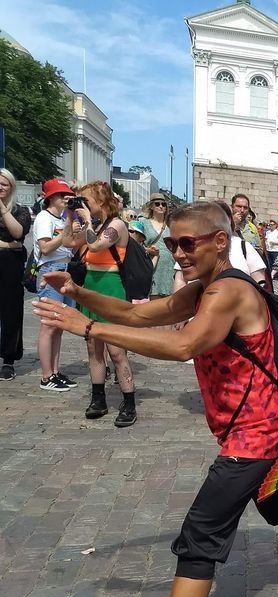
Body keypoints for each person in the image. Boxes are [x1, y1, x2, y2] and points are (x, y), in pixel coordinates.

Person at [34, 200, 278, 597]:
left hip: (256, 430)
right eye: (172, 243)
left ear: (220, 241)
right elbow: (140, 312)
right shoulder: (203, 288)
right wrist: (80, 293)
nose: (176, 252)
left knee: (201, 534)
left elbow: (182, 346)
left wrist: (87, 328)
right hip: (251, 424)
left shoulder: (226, 292)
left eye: (187, 243)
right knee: (273, 497)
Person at [61, 181, 138, 427]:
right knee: (93, 346)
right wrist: (70, 217)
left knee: (116, 350)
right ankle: (98, 398)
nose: (84, 204)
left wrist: (84, 220)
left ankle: (129, 402)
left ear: (102, 201)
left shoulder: (117, 225)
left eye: (87, 200)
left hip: (111, 286)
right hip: (90, 286)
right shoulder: (90, 225)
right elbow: (67, 243)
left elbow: (95, 244)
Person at [33, 179, 80, 391]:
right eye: (63, 196)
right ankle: (46, 375)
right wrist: (65, 233)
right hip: (50, 270)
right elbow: (45, 247)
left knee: (59, 326)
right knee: (48, 325)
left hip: (64, 270)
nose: (66, 199)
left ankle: (54, 370)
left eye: (68, 195)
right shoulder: (45, 218)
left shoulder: (62, 217)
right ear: (51, 197)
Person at [0, 169, 32, 381]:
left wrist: (3, 209)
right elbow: (13, 242)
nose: (0, 188)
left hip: (10, 266)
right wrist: (8, 244)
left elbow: (18, 233)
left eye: (4, 184)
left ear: (11, 187)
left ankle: (8, 360)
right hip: (9, 254)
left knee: (11, 313)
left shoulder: (20, 210)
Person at [141, 193, 174, 299]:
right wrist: (148, 249)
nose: (161, 206)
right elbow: (135, 246)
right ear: (151, 206)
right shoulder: (144, 223)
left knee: (169, 308)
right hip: (152, 267)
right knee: (154, 306)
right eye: (157, 204)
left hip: (170, 268)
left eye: (164, 204)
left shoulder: (171, 224)